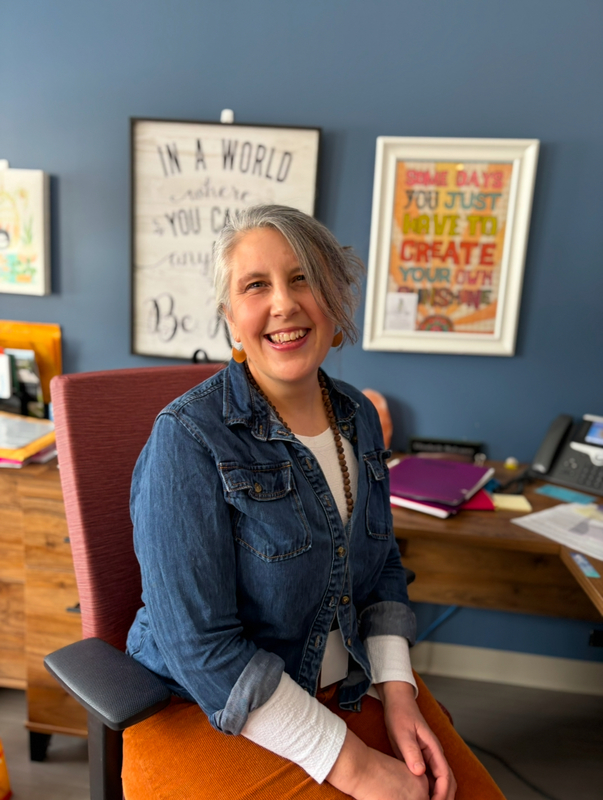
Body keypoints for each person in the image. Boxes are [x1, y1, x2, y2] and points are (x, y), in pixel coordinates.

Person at [122, 205, 505, 800]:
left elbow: (380, 574)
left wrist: (401, 696)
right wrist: (356, 767)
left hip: (343, 688)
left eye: (303, 278)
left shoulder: (358, 417)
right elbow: (201, 649)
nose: (284, 303)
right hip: (205, 710)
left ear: (333, 299)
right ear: (231, 321)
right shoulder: (187, 438)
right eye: (257, 285)